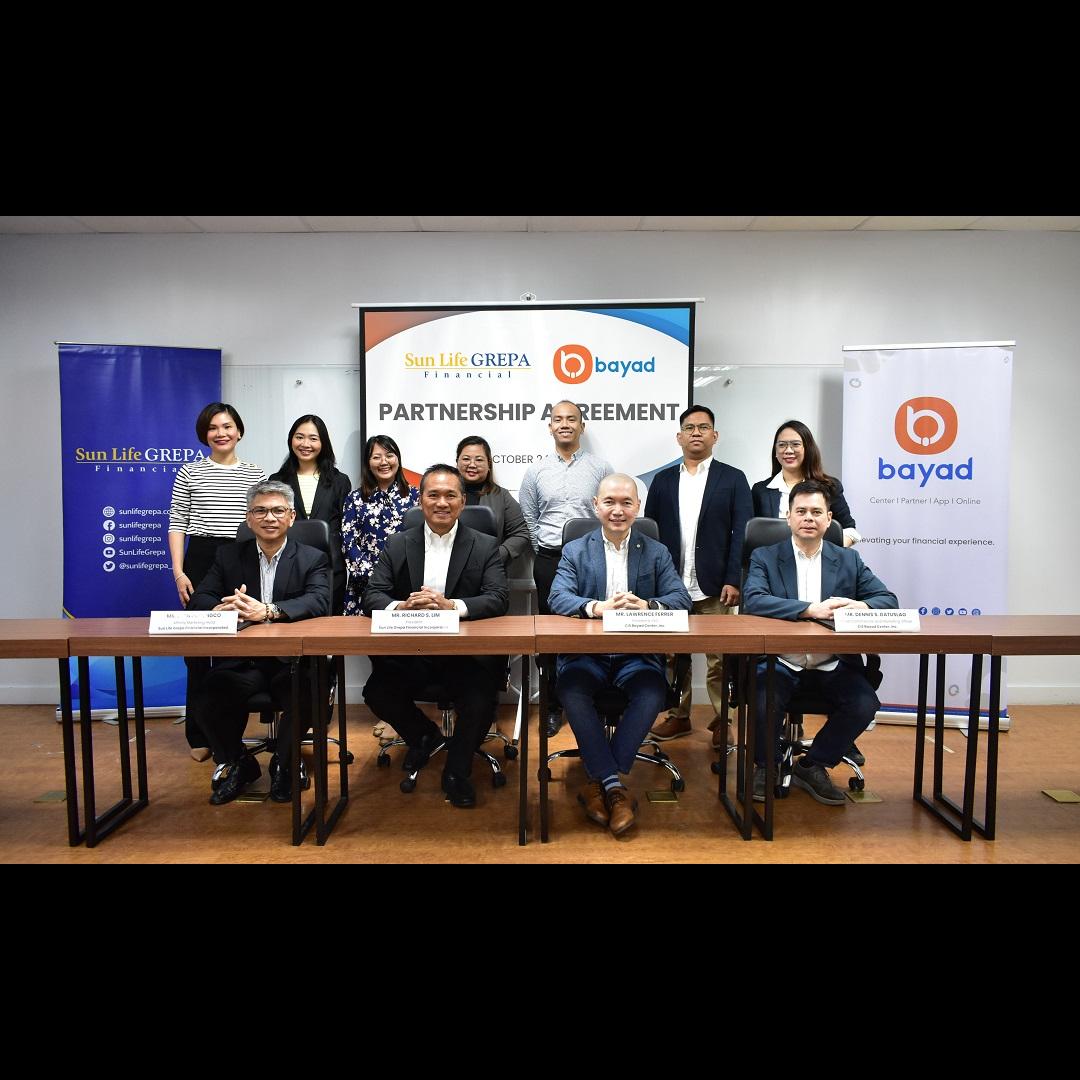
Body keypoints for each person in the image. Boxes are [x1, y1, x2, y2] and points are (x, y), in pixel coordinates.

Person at [547, 474, 692, 836]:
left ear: (637, 508)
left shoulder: (656, 551)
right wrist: (597, 607)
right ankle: (614, 787)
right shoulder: (575, 550)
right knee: (572, 691)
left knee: (652, 692)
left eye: (626, 503)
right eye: (610, 502)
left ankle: (599, 783)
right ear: (596, 506)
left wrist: (648, 605)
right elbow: (557, 597)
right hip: (586, 654)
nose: (618, 510)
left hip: (636, 655)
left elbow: (681, 599)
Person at [362, 464, 509, 809]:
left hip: (465, 654)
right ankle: (424, 736)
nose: (442, 503)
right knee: (377, 692)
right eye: (434, 495)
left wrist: (451, 606)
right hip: (412, 652)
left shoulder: (485, 545)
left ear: (462, 502)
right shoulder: (398, 543)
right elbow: (373, 595)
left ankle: (457, 772)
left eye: (450, 495)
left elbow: (498, 598)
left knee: (479, 700)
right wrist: (402, 606)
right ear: (420, 499)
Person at [742, 480, 897, 806]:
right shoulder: (765, 557)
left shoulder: (849, 560)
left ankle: (813, 765)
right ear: (788, 517)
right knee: (763, 698)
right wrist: (809, 610)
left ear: (829, 519)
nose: (808, 518)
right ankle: (765, 766)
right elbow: (753, 600)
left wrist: (862, 605)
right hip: (781, 660)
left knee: (864, 704)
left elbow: (888, 599)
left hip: (833, 663)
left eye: (816, 512)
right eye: (801, 511)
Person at [187, 481, 331, 805]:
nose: (269, 518)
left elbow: (319, 600)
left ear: (291, 517)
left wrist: (268, 610)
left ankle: (284, 764)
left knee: (307, 691)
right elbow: (200, 597)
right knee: (206, 697)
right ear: (248, 518)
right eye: (260, 511)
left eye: (278, 510)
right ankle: (240, 763)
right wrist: (219, 608)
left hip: (291, 661)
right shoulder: (227, 556)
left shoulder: (313, 558)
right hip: (244, 662)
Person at [644, 404, 753, 750]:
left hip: (716, 585)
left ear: (714, 435)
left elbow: (742, 533)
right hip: (671, 586)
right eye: (689, 427)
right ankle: (679, 715)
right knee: (673, 656)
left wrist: (734, 579)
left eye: (703, 427)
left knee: (719, 658)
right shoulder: (662, 480)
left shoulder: (733, 478)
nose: (696, 433)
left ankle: (723, 720)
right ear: (679, 437)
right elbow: (650, 534)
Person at [168, 402, 267, 761]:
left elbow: (262, 522)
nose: (221, 433)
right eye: (213, 428)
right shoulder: (190, 472)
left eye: (227, 426)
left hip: (242, 557)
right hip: (200, 557)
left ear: (239, 431)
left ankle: (229, 735)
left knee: (236, 651)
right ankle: (198, 735)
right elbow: (177, 522)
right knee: (197, 651)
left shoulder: (256, 473)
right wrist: (179, 571)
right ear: (204, 434)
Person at [518, 400, 613, 736]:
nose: (565, 424)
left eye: (572, 419)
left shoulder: (601, 469)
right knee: (550, 636)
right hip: (550, 560)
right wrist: (544, 551)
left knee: (592, 628)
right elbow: (529, 518)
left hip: (592, 560)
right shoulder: (536, 471)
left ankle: (594, 702)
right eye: (558, 419)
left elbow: (609, 512)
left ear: (582, 426)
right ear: (550, 427)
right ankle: (552, 706)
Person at [269, 415, 352, 615]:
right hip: (289, 564)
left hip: (330, 565)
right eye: (300, 437)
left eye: (313, 438)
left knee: (328, 623)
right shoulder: (277, 481)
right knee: (289, 616)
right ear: (291, 440)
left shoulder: (340, 481)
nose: (305, 444)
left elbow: (346, 526)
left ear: (323, 443)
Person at [341, 435, 419, 617]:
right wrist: (374, 577)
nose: (384, 462)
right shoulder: (354, 499)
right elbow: (348, 542)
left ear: (398, 459)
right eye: (376, 457)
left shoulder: (416, 497)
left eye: (389, 455)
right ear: (368, 463)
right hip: (365, 585)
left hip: (406, 584)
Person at [752, 419, 861, 547]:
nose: (788, 450)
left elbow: (850, 530)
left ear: (808, 449)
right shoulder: (760, 490)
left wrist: (828, 552)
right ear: (775, 451)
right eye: (782, 445)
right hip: (773, 559)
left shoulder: (829, 487)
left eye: (795, 444)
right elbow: (753, 534)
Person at [455, 434, 532, 569]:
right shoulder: (443, 495)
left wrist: (499, 555)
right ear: (457, 462)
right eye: (466, 459)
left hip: (489, 571)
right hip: (449, 569)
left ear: (489, 464)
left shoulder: (501, 496)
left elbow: (522, 532)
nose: (472, 465)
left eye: (479, 460)